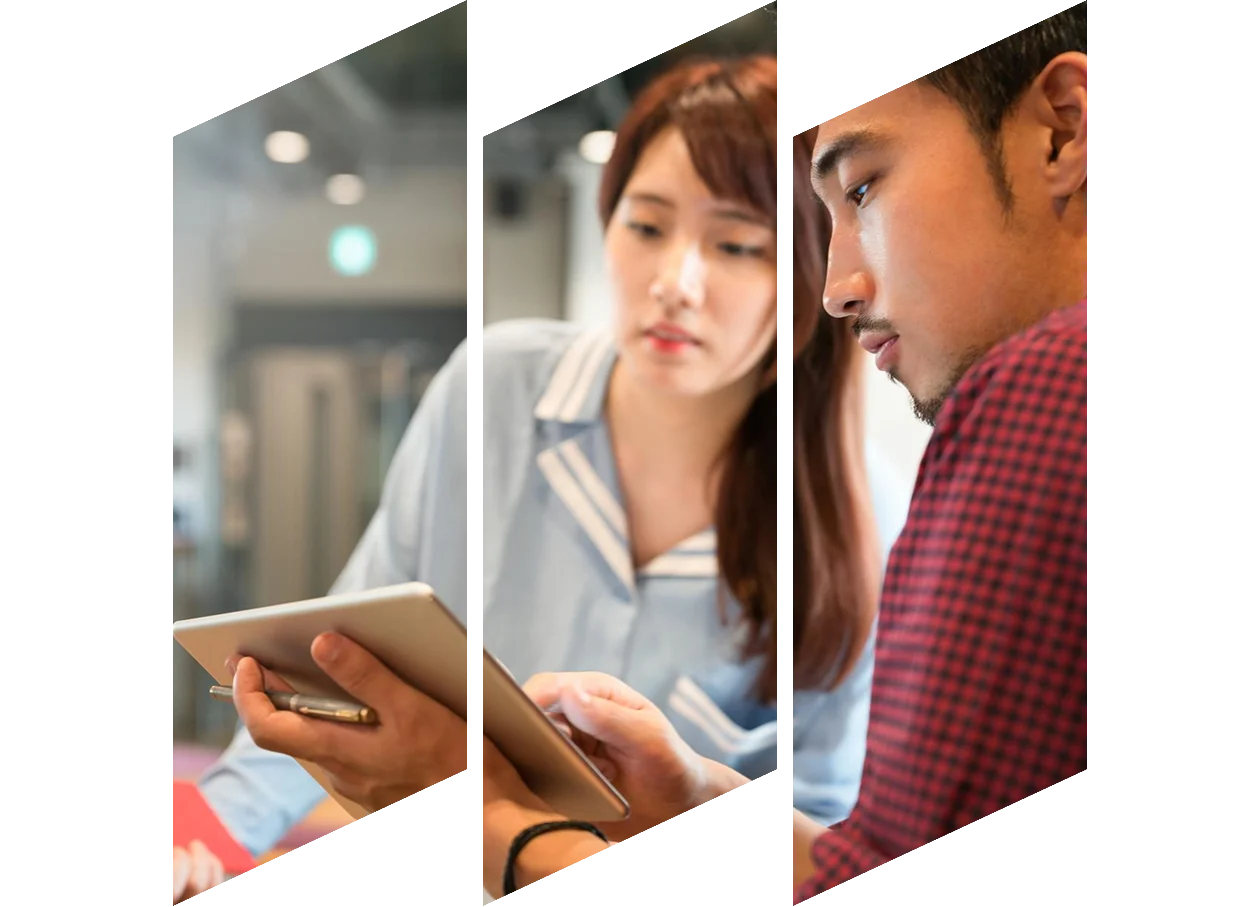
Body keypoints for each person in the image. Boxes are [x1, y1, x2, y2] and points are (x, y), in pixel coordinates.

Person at [172, 53, 912, 900]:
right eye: (647, 226)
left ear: (807, 276)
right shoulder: (492, 393)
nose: (676, 282)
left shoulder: (866, 523)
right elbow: (332, 673)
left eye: (738, 244)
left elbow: (824, 837)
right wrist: (196, 846)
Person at [478, 3, 1089, 899]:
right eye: (644, 226)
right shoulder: (495, 383)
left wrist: (512, 840)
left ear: (1062, 129)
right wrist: (695, 797)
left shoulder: (1044, 386)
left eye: (865, 188)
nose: (840, 287)